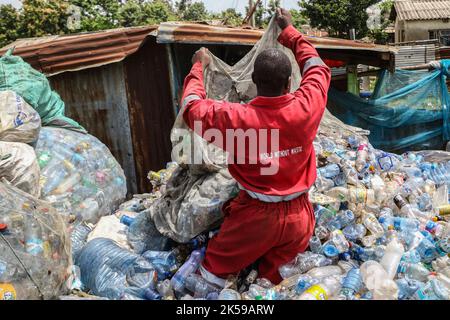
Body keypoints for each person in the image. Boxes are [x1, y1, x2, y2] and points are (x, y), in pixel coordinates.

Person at [180, 8, 331, 286]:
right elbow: (317, 67)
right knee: (274, 284)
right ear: (289, 82)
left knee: (210, 276)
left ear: (253, 81)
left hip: (256, 218)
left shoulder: (235, 118)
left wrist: (197, 67)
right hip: (300, 218)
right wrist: (290, 32)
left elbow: (191, 107)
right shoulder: (307, 106)